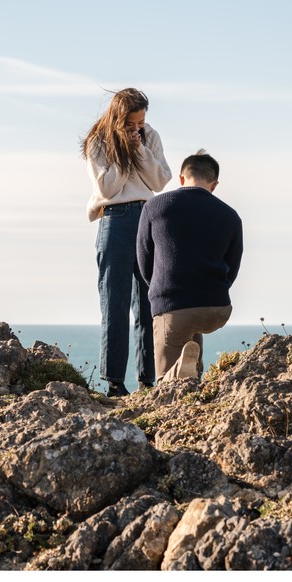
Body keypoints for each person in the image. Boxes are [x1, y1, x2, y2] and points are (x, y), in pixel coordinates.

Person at [82, 88, 172, 396]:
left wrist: (140, 149)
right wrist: (124, 151)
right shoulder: (99, 142)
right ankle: (115, 383)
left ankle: (148, 381)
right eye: (132, 123)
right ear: (120, 118)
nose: (138, 128)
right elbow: (107, 189)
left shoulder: (151, 136)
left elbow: (160, 181)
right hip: (115, 219)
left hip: (149, 217)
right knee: (114, 303)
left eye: (142, 122)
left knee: (149, 303)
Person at [136, 151, 243, 383]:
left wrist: (160, 294)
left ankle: (177, 374)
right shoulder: (231, 215)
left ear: (181, 178)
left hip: (174, 306)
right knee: (191, 324)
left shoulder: (155, 207)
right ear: (214, 185)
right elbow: (233, 264)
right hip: (218, 308)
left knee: (166, 382)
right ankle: (192, 370)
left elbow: (144, 260)